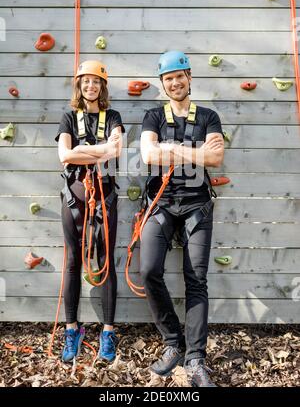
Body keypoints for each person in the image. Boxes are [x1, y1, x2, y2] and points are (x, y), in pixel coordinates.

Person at [140, 51, 224, 387]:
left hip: (196, 206)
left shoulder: (208, 116)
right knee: (148, 271)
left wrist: (171, 148)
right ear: (163, 84)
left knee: (196, 278)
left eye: (179, 76)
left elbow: (216, 157)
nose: (174, 83)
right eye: (168, 79)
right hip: (160, 205)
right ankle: (173, 342)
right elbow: (148, 154)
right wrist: (194, 151)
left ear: (189, 77)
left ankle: (195, 359)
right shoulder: (152, 116)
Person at [55, 60, 125, 363]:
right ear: (79, 85)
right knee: (72, 261)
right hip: (74, 199)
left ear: (103, 86)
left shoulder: (113, 117)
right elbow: (64, 155)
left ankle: (108, 331)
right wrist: (100, 151)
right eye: (86, 81)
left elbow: (117, 150)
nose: (91, 86)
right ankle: (72, 329)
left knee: (105, 261)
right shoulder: (68, 117)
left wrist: (81, 153)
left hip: (105, 198)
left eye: (96, 82)